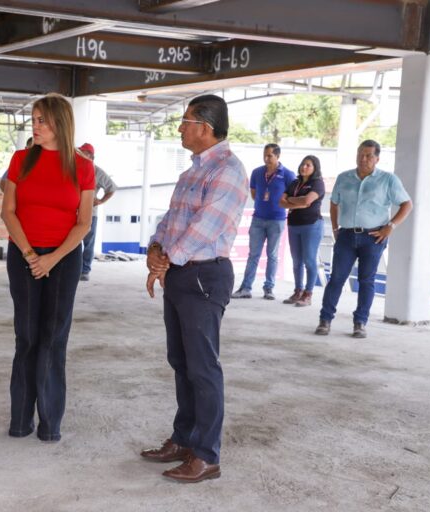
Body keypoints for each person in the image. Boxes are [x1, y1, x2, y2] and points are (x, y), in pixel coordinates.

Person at [141, 95, 247, 483]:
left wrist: (167, 260)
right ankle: (184, 439)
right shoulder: (193, 172)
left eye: (185, 122)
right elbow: (172, 220)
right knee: (181, 363)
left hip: (203, 275)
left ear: (205, 126)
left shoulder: (229, 171)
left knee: (203, 368)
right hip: (180, 273)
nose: (181, 128)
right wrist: (155, 249)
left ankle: (206, 455)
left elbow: (206, 227)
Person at [0, 93, 95, 442]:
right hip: (23, 256)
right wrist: (29, 254)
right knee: (26, 336)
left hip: (64, 259)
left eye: (41, 120)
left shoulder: (83, 167)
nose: (34, 125)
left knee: (53, 339)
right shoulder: (20, 159)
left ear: (59, 123)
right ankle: (20, 420)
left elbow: (83, 222)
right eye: (34, 119)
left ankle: (50, 423)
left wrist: (52, 258)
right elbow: (7, 211)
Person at [315, 140, 412, 338]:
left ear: (377, 158)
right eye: (360, 154)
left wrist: (390, 227)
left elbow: (407, 204)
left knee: (366, 281)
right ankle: (325, 320)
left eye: (368, 155)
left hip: (373, 237)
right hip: (347, 235)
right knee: (336, 279)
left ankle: (360, 323)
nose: (363, 158)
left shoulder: (388, 180)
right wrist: (335, 228)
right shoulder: (344, 178)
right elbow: (334, 204)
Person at [231, 144, 296, 300]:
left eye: (270, 156)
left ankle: (269, 288)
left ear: (277, 156)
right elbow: (254, 194)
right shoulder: (257, 172)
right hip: (258, 219)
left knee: (272, 255)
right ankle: (246, 288)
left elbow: (292, 195)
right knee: (253, 254)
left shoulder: (287, 174)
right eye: (265, 155)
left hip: (277, 220)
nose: (266, 158)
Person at [279, 155, 326, 307]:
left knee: (309, 260)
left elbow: (307, 201)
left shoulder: (318, 183)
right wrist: (298, 203)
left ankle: (308, 293)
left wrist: (292, 200)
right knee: (296, 260)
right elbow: (281, 202)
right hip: (294, 225)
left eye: (308, 165)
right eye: (302, 164)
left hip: (311, 225)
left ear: (315, 168)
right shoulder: (294, 182)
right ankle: (298, 291)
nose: (304, 167)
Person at [78, 142, 117, 281]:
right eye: (79, 152)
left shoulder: (97, 172)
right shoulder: (74, 168)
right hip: (73, 213)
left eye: (83, 153)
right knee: (73, 242)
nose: (80, 155)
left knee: (88, 243)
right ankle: (73, 269)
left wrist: (100, 201)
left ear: (91, 156)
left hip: (90, 213)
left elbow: (111, 188)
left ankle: (85, 270)